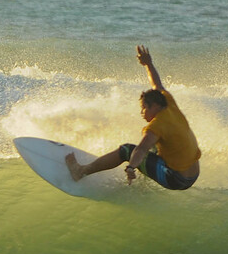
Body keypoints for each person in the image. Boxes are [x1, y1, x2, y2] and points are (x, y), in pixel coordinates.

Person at [66, 45, 200, 190]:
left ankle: (80, 171)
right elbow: (157, 84)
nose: (142, 113)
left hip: (175, 179)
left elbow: (141, 150)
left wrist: (130, 167)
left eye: (143, 108)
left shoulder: (156, 126)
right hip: (193, 174)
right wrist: (148, 64)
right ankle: (144, 182)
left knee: (127, 150)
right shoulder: (169, 103)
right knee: (155, 146)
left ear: (153, 106)